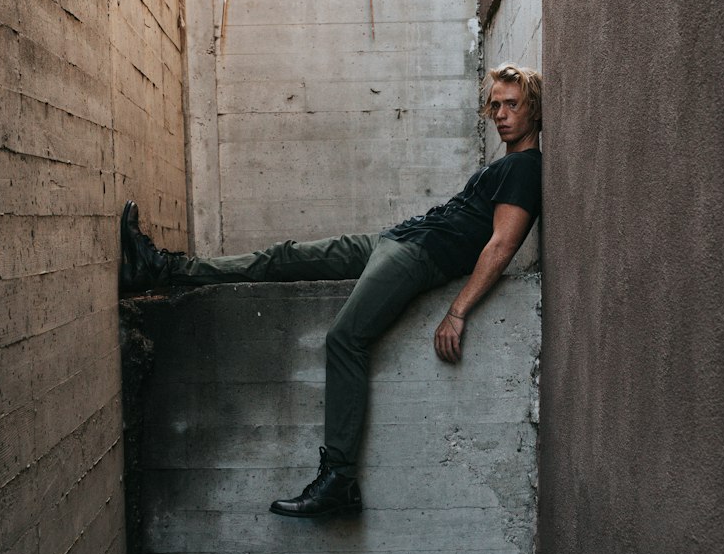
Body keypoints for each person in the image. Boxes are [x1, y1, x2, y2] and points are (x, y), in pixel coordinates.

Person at [119, 64, 542, 520]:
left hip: (418, 256)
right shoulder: (505, 163)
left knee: (345, 338)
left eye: (511, 105)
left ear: (534, 110)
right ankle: (164, 268)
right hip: (396, 240)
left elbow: (502, 244)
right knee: (285, 256)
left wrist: (458, 311)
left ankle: (339, 479)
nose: (499, 114)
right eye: (494, 105)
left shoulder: (525, 167)